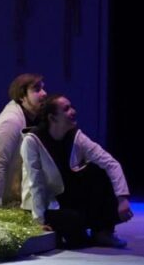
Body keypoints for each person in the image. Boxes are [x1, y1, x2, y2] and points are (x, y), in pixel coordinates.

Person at [21, 94, 133, 248]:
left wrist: (122, 199)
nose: (73, 111)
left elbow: (111, 164)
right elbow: (36, 183)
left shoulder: (76, 136)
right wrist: (39, 221)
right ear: (52, 118)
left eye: (71, 107)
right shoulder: (32, 141)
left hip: (68, 196)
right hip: (47, 204)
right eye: (66, 109)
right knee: (75, 227)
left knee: (98, 171)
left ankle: (103, 232)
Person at [0, 73, 47, 207]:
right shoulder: (10, 121)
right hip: (3, 201)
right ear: (22, 96)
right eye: (37, 89)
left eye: (43, 88)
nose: (44, 93)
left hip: (16, 199)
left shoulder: (32, 117)